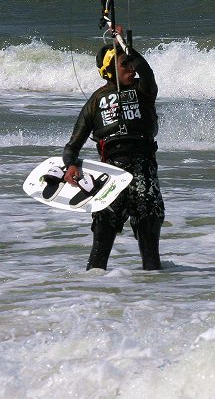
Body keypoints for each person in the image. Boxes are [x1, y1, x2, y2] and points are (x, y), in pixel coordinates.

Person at [62, 26, 164, 270]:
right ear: (109, 70)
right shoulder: (95, 101)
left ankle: (157, 294)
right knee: (102, 237)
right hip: (111, 176)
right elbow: (72, 147)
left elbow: (146, 71)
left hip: (143, 170)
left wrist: (124, 44)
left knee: (149, 237)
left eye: (131, 63)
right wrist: (70, 165)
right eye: (124, 64)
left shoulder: (144, 90)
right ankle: (94, 292)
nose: (131, 68)